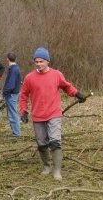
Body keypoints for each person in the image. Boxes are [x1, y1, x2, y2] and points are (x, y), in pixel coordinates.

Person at [19, 47, 87, 180]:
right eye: (36, 61)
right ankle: (46, 166)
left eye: (41, 61)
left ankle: (57, 171)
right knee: (42, 143)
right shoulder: (29, 78)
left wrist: (77, 94)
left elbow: (67, 87)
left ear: (47, 61)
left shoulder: (56, 75)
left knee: (55, 142)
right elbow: (23, 96)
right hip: (38, 115)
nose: (39, 64)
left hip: (54, 114)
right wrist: (24, 111)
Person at [1, 52, 22, 138]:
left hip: (11, 95)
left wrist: (4, 93)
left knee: (12, 114)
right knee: (13, 113)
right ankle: (16, 132)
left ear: (7, 59)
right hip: (12, 94)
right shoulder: (15, 68)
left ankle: (16, 133)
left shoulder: (13, 70)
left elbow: (11, 84)